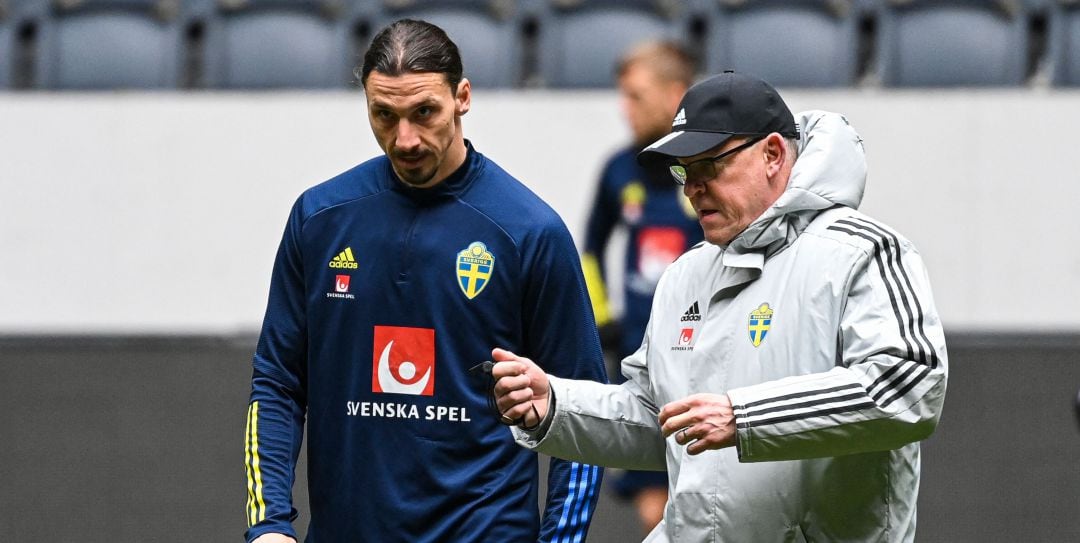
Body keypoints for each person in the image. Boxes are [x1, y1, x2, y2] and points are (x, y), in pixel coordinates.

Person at [491, 71, 948, 542]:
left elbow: (909, 387)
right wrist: (556, 404)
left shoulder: (865, 251)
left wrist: (744, 418)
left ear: (772, 154)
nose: (691, 188)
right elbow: (659, 419)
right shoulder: (683, 276)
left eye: (709, 166)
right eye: (683, 171)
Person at [243, 19, 606, 543]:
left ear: (462, 97)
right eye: (383, 116)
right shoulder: (319, 219)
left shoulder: (529, 233)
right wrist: (268, 525)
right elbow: (276, 384)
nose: (405, 138)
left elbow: (583, 407)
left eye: (424, 113)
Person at [580, 40, 700, 534]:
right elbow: (589, 249)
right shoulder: (617, 169)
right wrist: (604, 321)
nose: (625, 109)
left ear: (677, 94)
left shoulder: (708, 166)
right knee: (656, 505)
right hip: (641, 358)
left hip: (706, 356)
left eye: (636, 96)